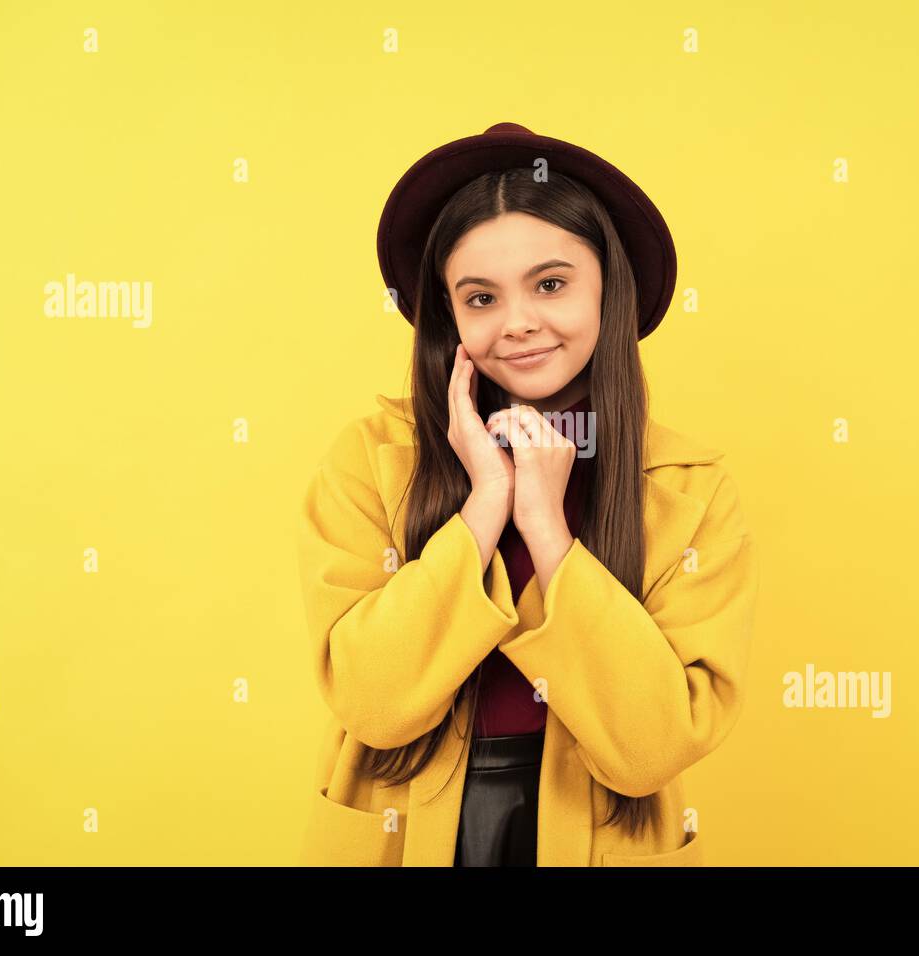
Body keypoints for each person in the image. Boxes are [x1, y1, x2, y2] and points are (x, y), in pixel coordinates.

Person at [296, 123, 760, 866]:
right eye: (480, 297)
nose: (517, 323)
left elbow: (653, 747)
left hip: (597, 834)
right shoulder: (369, 461)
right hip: (406, 827)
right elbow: (373, 702)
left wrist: (547, 529)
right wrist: (486, 505)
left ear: (609, 288)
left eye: (551, 284)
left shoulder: (690, 493)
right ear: (450, 319)